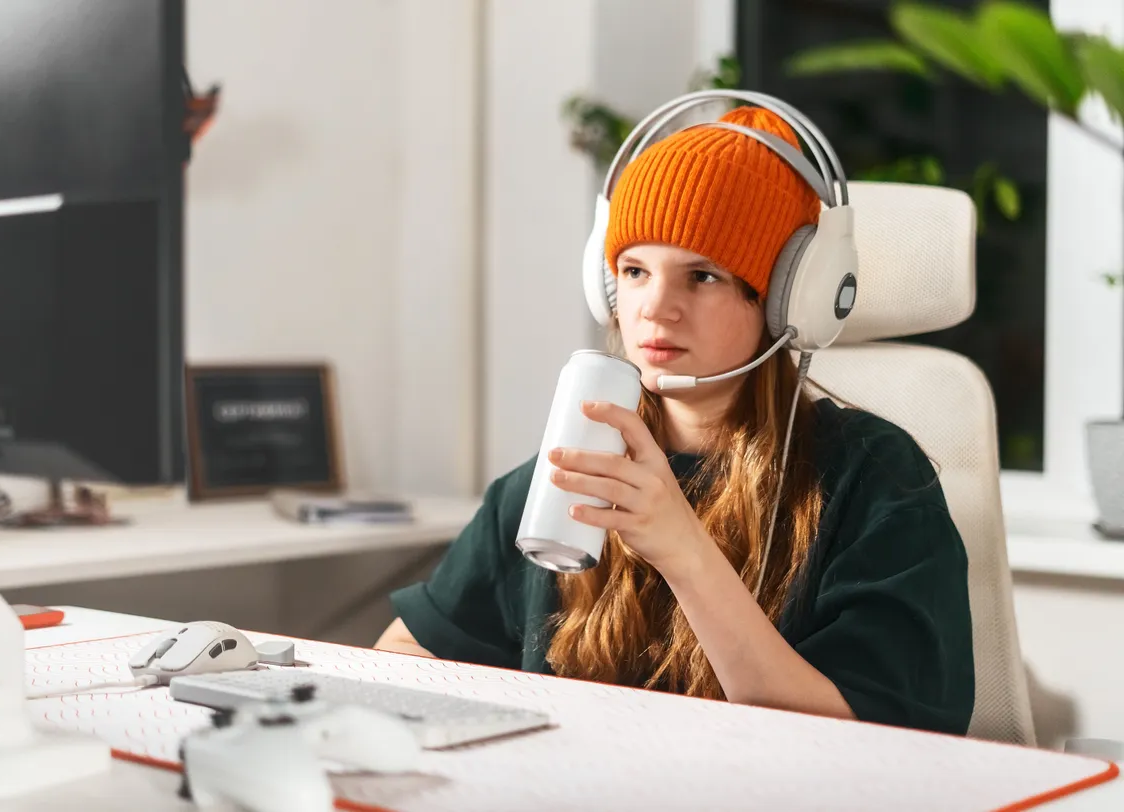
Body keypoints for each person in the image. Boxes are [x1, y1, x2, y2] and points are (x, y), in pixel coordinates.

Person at [375, 103, 976, 736]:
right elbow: (405, 654)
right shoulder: (560, 481)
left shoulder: (873, 478)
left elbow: (882, 742)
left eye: (703, 276)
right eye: (634, 272)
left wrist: (685, 552)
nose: (656, 309)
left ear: (785, 297)